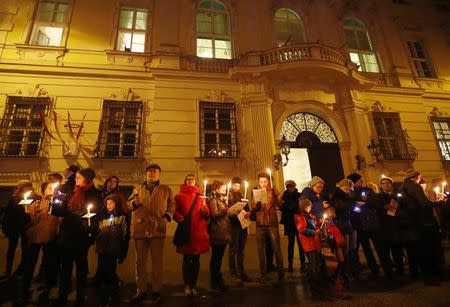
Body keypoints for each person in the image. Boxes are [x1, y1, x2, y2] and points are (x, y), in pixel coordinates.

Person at [52, 168, 102, 304]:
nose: (75, 179)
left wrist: (86, 217)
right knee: (65, 267)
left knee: (81, 267)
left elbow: (98, 213)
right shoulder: (70, 190)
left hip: (82, 235)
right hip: (67, 234)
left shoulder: (95, 193)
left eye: (78, 178)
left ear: (86, 179)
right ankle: (63, 294)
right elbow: (58, 211)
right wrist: (56, 201)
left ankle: (80, 295)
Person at [127, 163, 173, 304]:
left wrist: (166, 217)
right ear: (146, 174)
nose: (152, 173)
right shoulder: (137, 189)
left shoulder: (166, 190)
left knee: (157, 262)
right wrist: (134, 203)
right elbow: (129, 205)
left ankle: (156, 290)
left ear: (159, 174)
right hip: (140, 229)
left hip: (157, 229)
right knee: (140, 262)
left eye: (155, 171)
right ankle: (141, 290)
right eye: (150, 171)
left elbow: (172, 206)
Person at [399, 169, 445, 285]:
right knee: (428, 250)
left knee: (420, 251)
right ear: (417, 176)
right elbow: (424, 204)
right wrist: (439, 202)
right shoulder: (415, 186)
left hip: (412, 224)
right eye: (419, 177)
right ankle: (431, 277)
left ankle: (425, 275)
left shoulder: (402, 187)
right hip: (423, 222)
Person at [22, 181, 60, 303]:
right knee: (29, 264)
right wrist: (28, 213)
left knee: (49, 265)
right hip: (35, 237)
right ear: (44, 191)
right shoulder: (37, 203)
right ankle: (24, 290)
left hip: (51, 238)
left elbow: (60, 219)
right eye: (50, 188)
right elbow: (30, 221)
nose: (52, 190)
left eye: (54, 188)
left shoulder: (58, 203)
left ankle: (47, 290)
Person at [173, 174, 209, 296]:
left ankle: (194, 284)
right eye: (188, 179)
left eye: (192, 179)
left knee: (196, 260)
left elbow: (206, 214)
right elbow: (175, 211)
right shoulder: (179, 196)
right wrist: (181, 219)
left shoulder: (201, 196)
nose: (190, 181)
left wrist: (205, 210)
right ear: (185, 181)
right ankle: (187, 284)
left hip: (199, 231)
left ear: (195, 181)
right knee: (187, 259)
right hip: (187, 231)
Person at [251, 172, 284, 282]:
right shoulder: (255, 190)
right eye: (261, 182)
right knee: (261, 250)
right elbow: (253, 208)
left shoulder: (274, 190)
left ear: (269, 181)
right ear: (258, 182)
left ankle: (281, 274)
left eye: (265, 181)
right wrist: (257, 205)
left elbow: (280, 205)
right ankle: (263, 274)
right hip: (260, 224)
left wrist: (277, 197)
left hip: (272, 224)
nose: (263, 184)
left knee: (276, 248)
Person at [95, 194, 128, 305]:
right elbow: (98, 231)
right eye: (107, 203)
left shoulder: (122, 217)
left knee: (111, 272)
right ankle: (103, 297)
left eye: (111, 203)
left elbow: (125, 235)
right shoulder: (102, 217)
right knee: (102, 271)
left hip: (113, 249)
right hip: (102, 249)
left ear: (117, 204)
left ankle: (114, 296)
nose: (109, 205)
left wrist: (123, 252)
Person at [0, 180, 36, 281]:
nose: (21, 188)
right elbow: (9, 211)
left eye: (23, 186)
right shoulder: (15, 196)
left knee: (26, 248)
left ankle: (22, 269)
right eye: (21, 186)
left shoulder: (33, 196)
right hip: (14, 226)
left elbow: (32, 210)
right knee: (11, 248)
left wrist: (28, 211)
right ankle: (8, 270)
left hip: (26, 225)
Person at [294, 198, 325, 294]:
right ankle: (314, 282)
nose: (310, 207)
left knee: (316, 261)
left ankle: (315, 279)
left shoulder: (311, 216)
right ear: (303, 207)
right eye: (308, 206)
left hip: (315, 243)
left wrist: (320, 222)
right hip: (309, 244)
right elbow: (302, 230)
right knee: (313, 263)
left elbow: (314, 225)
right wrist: (314, 232)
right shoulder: (301, 218)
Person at [378, 176, 405, 275]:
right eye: (383, 183)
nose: (385, 184)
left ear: (391, 184)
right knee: (386, 250)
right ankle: (389, 270)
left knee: (397, 249)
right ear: (380, 185)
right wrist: (384, 207)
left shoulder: (396, 195)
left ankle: (400, 269)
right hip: (385, 226)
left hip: (397, 225)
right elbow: (377, 208)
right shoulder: (379, 196)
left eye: (387, 182)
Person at [332, 178, 359, 279]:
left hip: (347, 223)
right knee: (345, 249)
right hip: (342, 224)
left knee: (351, 248)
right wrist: (353, 203)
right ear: (346, 186)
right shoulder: (338, 195)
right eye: (350, 188)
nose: (350, 190)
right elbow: (341, 207)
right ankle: (345, 270)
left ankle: (350, 269)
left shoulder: (345, 195)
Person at [227, 176, 252, 283]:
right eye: (235, 185)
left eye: (238, 185)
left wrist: (248, 213)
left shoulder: (242, 195)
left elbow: (247, 208)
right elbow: (228, 210)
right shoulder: (229, 195)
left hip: (242, 225)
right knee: (233, 249)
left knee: (241, 249)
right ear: (232, 185)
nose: (237, 187)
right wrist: (234, 210)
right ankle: (233, 273)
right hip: (234, 226)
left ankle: (242, 272)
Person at [208, 180, 231, 291]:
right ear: (217, 188)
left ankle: (219, 279)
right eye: (223, 187)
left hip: (224, 232)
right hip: (217, 232)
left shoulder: (223, 200)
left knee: (220, 257)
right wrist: (225, 210)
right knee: (215, 258)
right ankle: (214, 280)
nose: (225, 189)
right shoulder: (213, 200)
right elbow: (214, 215)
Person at [280, 180, 305, 273]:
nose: (290, 188)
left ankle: (303, 264)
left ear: (294, 187)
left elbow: (301, 206)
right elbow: (282, 207)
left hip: (298, 222)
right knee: (291, 244)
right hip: (289, 222)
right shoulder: (284, 196)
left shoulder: (299, 195)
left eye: (291, 186)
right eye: (288, 187)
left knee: (300, 243)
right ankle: (290, 264)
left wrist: (290, 207)